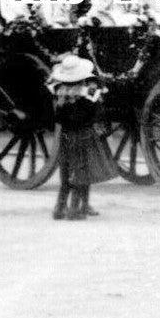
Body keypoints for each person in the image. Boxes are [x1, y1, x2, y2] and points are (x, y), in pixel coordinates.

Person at [49, 55, 118, 219]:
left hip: (65, 136)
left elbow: (58, 117)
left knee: (66, 173)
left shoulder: (59, 92)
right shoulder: (89, 93)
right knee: (82, 171)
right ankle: (76, 210)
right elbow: (97, 109)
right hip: (84, 135)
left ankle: (59, 208)